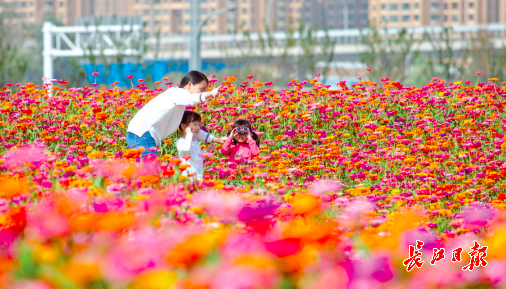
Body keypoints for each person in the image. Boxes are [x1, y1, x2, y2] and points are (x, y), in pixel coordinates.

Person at [126, 71, 224, 158]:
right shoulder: (177, 93)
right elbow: (192, 99)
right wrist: (210, 94)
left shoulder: (178, 102)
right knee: (149, 172)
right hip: (142, 135)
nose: (203, 93)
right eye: (201, 89)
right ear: (189, 84)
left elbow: (191, 129)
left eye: (205, 91)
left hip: (139, 135)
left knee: (142, 173)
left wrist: (219, 139)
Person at [176, 111, 215, 180]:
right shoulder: (181, 141)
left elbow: (197, 157)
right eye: (195, 124)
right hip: (187, 178)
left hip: (198, 176)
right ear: (184, 126)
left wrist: (206, 151)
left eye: (199, 125)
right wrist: (189, 134)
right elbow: (186, 149)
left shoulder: (195, 141)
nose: (198, 128)